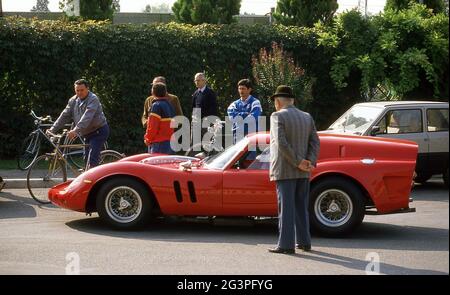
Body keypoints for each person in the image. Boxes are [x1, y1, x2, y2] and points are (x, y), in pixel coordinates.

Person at [268, 85, 320, 254]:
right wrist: (309, 162)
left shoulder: (277, 116)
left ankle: (285, 245)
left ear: (277, 101)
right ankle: (304, 242)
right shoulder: (307, 117)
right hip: (304, 170)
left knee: (286, 208)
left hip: (285, 170)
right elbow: (315, 142)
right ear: (292, 100)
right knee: (300, 207)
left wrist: (298, 162)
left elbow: (281, 143)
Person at [48, 79, 109, 168]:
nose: (79, 93)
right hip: (87, 133)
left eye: (82, 90)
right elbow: (64, 115)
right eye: (77, 90)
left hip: (98, 131)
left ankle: (95, 180)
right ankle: (88, 177)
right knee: (86, 159)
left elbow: (87, 117)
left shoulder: (93, 99)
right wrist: (52, 129)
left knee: (92, 159)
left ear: (87, 88)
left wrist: (75, 130)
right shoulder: (73, 100)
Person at [227, 79, 262, 143]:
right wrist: (246, 114)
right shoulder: (234, 104)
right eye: (239, 88)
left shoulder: (255, 102)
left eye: (243, 89)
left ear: (249, 90)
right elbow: (232, 118)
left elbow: (253, 118)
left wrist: (239, 116)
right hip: (237, 137)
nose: (241, 91)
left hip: (251, 137)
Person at [144, 82, 176, 154]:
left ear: (153, 92)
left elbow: (153, 126)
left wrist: (148, 139)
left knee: (156, 165)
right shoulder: (170, 105)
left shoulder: (156, 105)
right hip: (170, 143)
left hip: (159, 144)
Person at [191, 73, 218, 149]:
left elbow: (213, 108)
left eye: (199, 80)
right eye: (196, 80)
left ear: (205, 81)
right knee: (195, 145)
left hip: (206, 123)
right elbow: (193, 107)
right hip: (196, 122)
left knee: (207, 144)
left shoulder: (210, 93)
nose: (197, 82)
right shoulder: (196, 93)